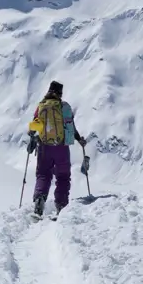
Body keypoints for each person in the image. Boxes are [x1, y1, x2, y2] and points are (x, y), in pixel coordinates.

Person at [26, 80, 87, 218]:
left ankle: (39, 200)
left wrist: (32, 136)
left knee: (43, 174)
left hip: (44, 147)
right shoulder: (64, 107)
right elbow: (71, 127)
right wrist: (79, 140)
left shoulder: (41, 106)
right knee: (63, 177)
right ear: (60, 93)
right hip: (61, 148)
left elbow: (34, 126)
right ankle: (61, 205)